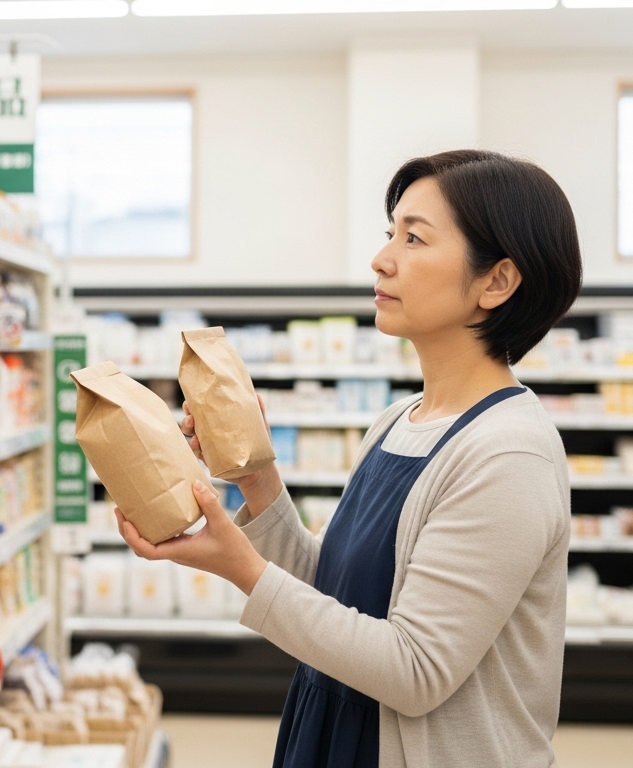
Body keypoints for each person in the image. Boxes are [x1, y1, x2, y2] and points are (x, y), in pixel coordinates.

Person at [115, 150, 582, 768]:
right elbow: (336, 592)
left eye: (414, 237)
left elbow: (415, 670)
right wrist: (257, 480)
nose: (382, 258)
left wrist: (241, 570)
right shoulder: (399, 420)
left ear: (495, 282)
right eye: (390, 233)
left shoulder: (508, 454)